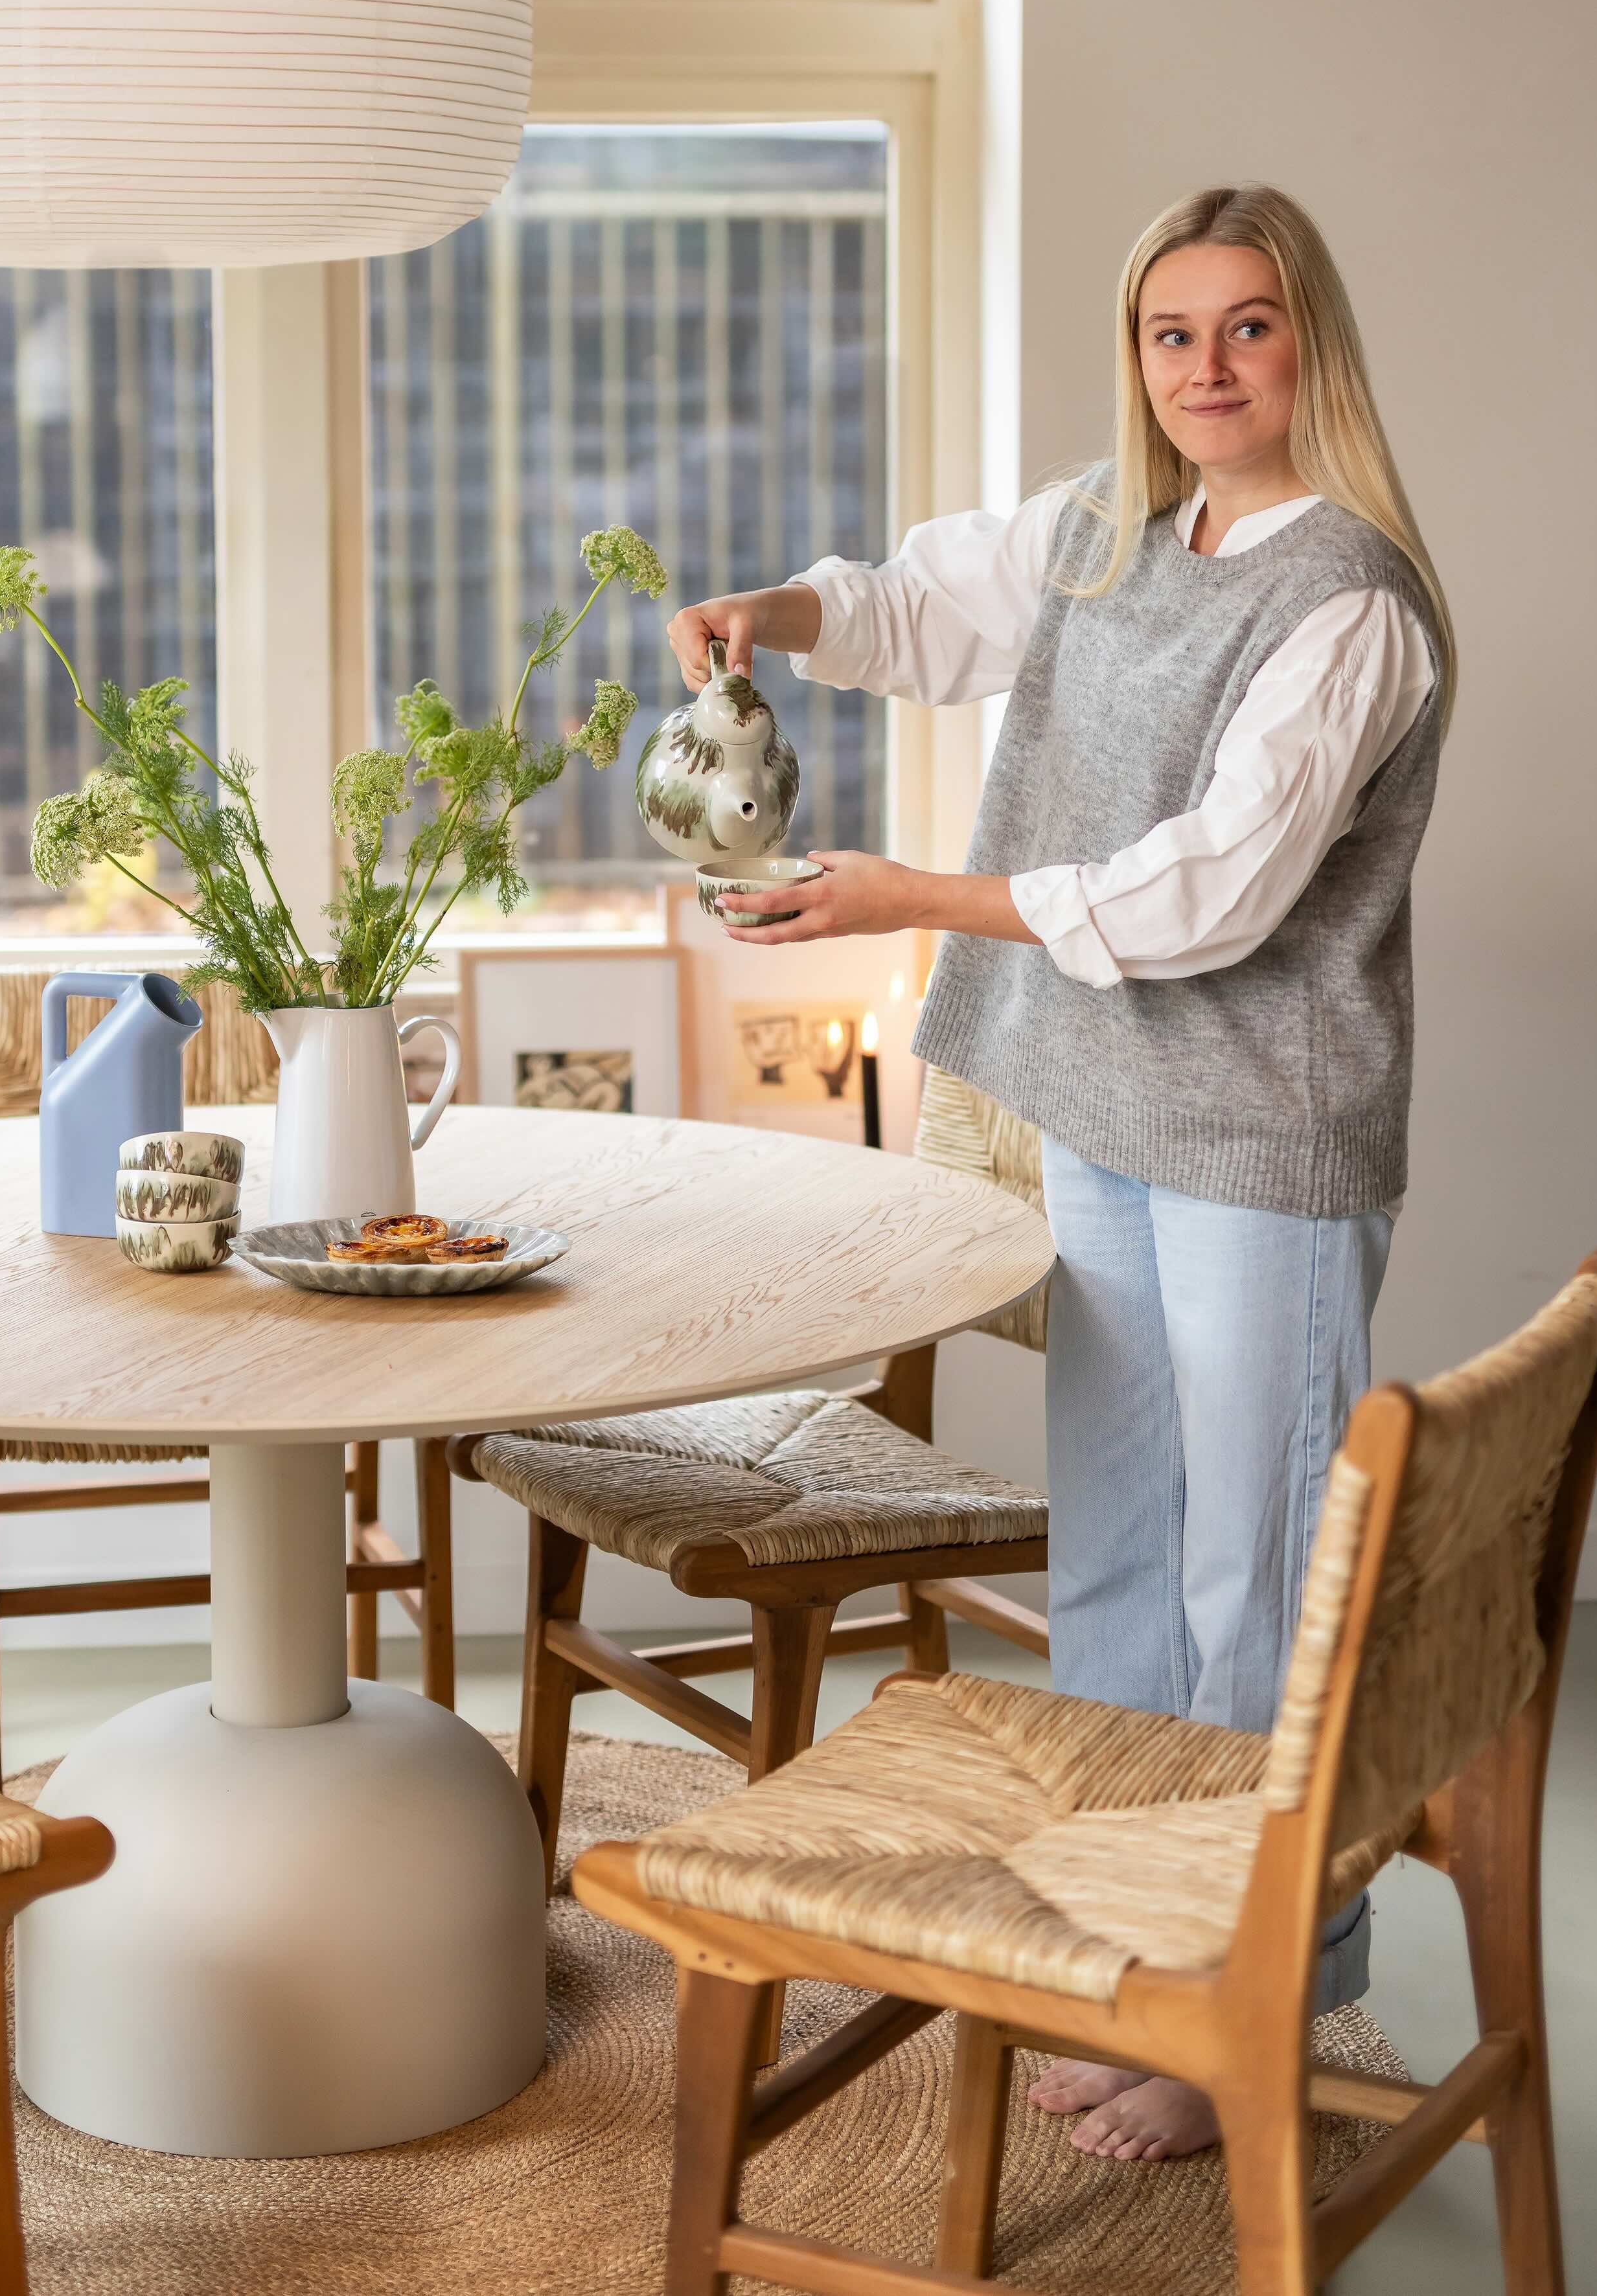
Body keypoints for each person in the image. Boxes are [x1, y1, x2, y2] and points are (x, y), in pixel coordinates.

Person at [667, 183, 1454, 2163]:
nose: (1203, 368)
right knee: (1111, 1553)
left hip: (1261, 1138)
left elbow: (1208, 892)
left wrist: (906, 895)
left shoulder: (1347, 593)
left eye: (1247, 328)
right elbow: (930, 602)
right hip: (1102, 1109)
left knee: (1249, 1580)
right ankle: (1120, 1949)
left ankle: (1254, 2002)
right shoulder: (1114, 532)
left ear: (1310, 347)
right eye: (1170, 332)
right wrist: (774, 614)